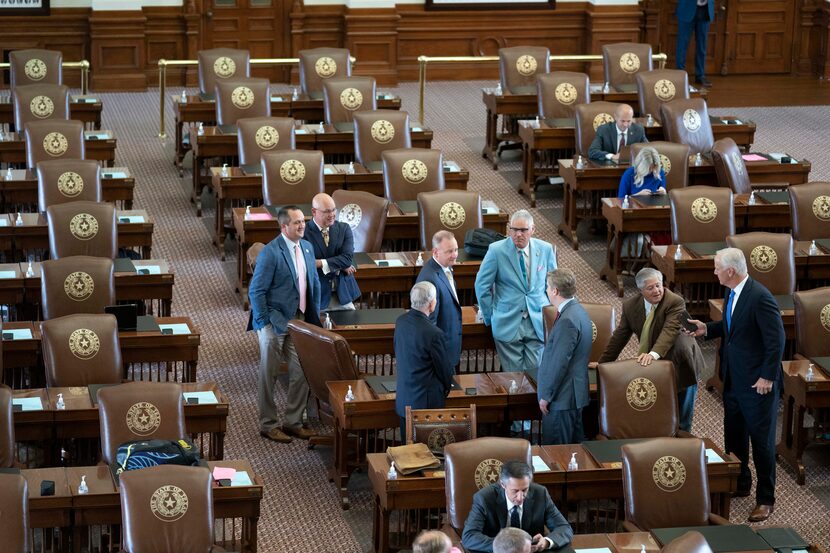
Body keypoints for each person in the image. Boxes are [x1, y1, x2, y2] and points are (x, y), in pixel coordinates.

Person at [686, 248, 784, 522]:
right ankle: (741, 482)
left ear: (730, 271)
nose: (714, 272)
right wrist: (707, 328)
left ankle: (766, 498)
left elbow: (777, 341)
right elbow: (733, 326)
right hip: (734, 379)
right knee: (735, 435)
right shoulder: (732, 291)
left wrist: (767, 377)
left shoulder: (760, 297)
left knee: (761, 442)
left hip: (757, 384)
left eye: (717, 268)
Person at [248, 206, 321, 444]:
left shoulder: (308, 248)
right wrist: (264, 323)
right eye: (297, 222)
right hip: (273, 320)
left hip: (298, 319)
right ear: (284, 227)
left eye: (303, 221)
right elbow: (256, 290)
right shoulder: (271, 252)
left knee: (301, 371)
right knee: (268, 373)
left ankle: (293, 422)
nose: (302, 225)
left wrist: (312, 320)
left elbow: (313, 285)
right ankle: (268, 424)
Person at [599, 268, 704, 432]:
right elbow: (620, 336)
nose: (657, 291)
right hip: (656, 362)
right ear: (641, 290)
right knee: (659, 408)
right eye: (650, 288)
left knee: (682, 414)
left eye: (658, 285)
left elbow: (669, 331)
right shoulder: (630, 306)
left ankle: (683, 442)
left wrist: (652, 355)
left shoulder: (675, 301)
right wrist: (602, 363)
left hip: (682, 361)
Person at [475, 210, 557, 373]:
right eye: (514, 229)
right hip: (508, 322)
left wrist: (552, 313)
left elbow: (554, 285)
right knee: (514, 378)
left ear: (532, 229)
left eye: (523, 230)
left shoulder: (546, 249)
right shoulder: (496, 250)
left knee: (536, 375)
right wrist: (490, 316)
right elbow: (481, 285)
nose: (518, 234)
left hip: (537, 321)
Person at [462, 460, 572, 553]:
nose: (520, 497)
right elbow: (469, 536)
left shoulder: (540, 494)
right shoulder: (484, 498)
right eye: (515, 491)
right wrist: (507, 548)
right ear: (502, 484)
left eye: (524, 490)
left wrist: (547, 541)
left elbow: (564, 528)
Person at [536, 269, 593, 445]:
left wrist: (546, 396)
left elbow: (559, 363)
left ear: (555, 291)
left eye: (547, 287)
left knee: (556, 456)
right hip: (573, 396)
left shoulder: (567, 320)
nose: (546, 290)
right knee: (572, 452)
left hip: (562, 398)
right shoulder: (579, 311)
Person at [394, 281, 455, 437]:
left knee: (405, 451)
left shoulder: (400, 322)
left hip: (404, 397)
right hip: (426, 406)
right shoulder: (434, 334)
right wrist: (446, 387)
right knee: (427, 453)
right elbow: (444, 370)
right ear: (431, 304)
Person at [304, 192, 360, 311]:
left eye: (334, 210)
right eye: (327, 211)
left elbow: (347, 259)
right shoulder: (303, 232)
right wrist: (339, 265)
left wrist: (319, 263)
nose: (332, 215)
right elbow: (305, 263)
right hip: (317, 295)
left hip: (343, 293)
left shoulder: (344, 228)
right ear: (314, 212)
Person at [416, 230, 462, 369]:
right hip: (440, 353)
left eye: (456, 250)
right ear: (436, 252)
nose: (454, 255)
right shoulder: (430, 278)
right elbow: (429, 322)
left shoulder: (445, 268)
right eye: (449, 251)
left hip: (448, 348)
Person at [676, 0, 715, 88]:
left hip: (705, 10)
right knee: (682, 44)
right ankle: (680, 75)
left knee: (702, 46)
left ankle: (700, 75)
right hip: (686, 9)